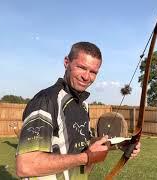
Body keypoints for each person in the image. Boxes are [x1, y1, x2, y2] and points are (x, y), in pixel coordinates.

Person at [15, 41, 140, 180]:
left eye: (93, 72)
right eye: (81, 67)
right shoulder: (45, 101)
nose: (86, 77)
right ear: (66, 62)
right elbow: (25, 165)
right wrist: (85, 157)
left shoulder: (83, 105)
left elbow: (80, 144)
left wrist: (120, 145)